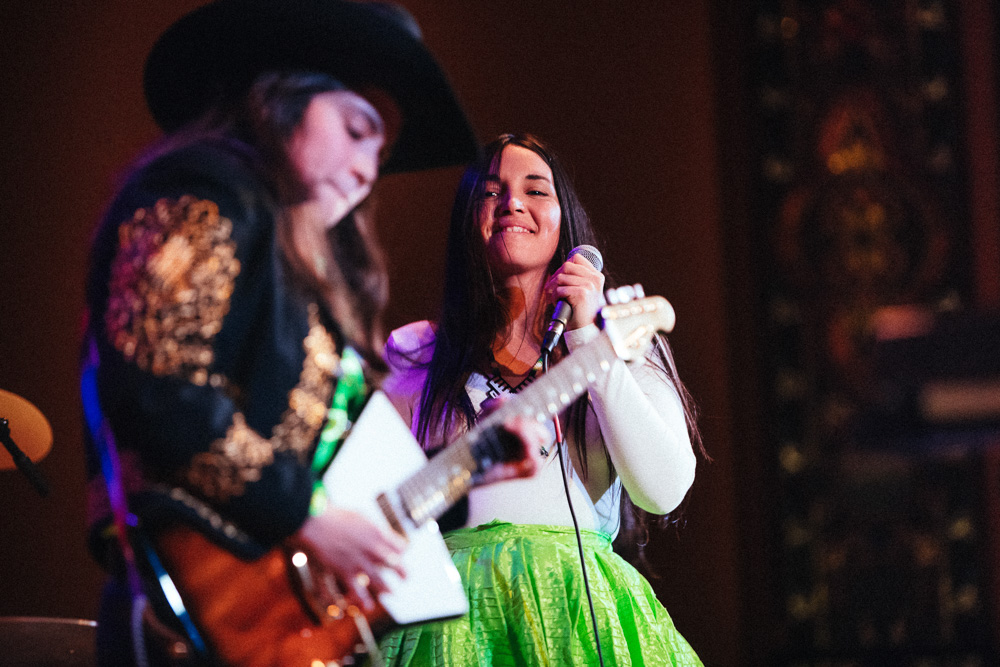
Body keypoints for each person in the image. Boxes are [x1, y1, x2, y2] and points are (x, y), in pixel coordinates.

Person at [82, 4, 547, 666]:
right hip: (189, 608)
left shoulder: (310, 286)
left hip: (285, 622)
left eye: (380, 152)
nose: (367, 169)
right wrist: (305, 515)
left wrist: (476, 468)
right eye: (357, 131)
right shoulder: (206, 191)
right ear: (279, 103)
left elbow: (348, 478)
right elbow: (161, 383)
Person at [378, 133, 706, 666]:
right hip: (449, 623)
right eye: (491, 192)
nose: (512, 203)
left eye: (536, 190)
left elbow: (662, 489)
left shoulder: (624, 342)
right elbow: (376, 505)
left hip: (576, 619)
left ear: (563, 222)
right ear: (468, 220)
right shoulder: (418, 352)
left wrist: (589, 344)